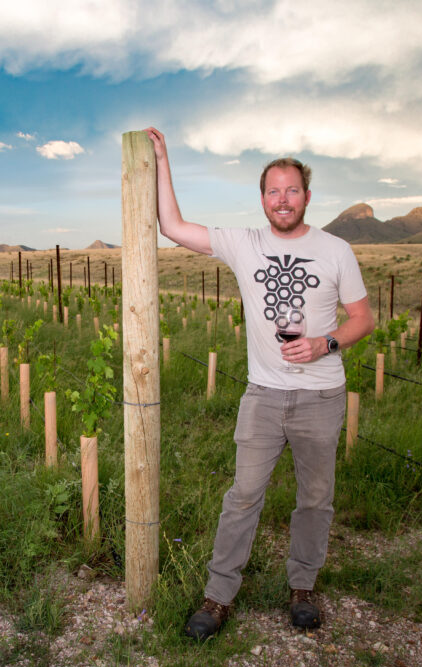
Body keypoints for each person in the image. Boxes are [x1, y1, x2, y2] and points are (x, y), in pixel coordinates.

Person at [143, 127, 374, 640]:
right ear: (263, 199)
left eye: (292, 190)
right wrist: (162, 157)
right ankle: (218, 597)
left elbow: (362, 318)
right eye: (274, 191)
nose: (283, 199)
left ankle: (303, 588)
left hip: (321, 396)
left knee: (315, 498)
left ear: (307, 197)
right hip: (263, 397)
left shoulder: (336, 250)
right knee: (243, 495)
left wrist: (325, 344)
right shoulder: (243, 244)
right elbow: (173, 226)